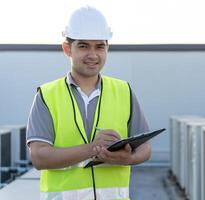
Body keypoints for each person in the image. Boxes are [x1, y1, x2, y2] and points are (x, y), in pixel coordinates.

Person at [26, 5, 151, 200]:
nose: (93, 55)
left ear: (107, 48)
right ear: (67, 48)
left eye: (99, 46)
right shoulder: (47, 95)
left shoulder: (124, 91)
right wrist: (93, 148)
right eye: (83, 46)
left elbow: (145, 148)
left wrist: (129, 158)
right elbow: (39, 157)